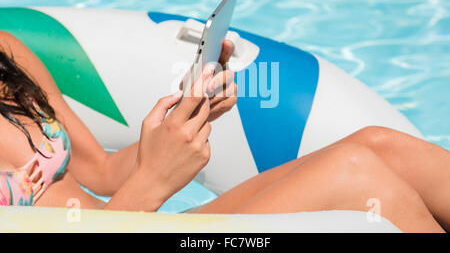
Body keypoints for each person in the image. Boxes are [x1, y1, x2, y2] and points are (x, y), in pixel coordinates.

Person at [0, 30, 448, 233]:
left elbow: (101, 172)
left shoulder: (7, 51)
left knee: (378, 144)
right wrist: (155, 182)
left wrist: (185, 121)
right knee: (356, 173)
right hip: (128, 220)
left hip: (129, 218)